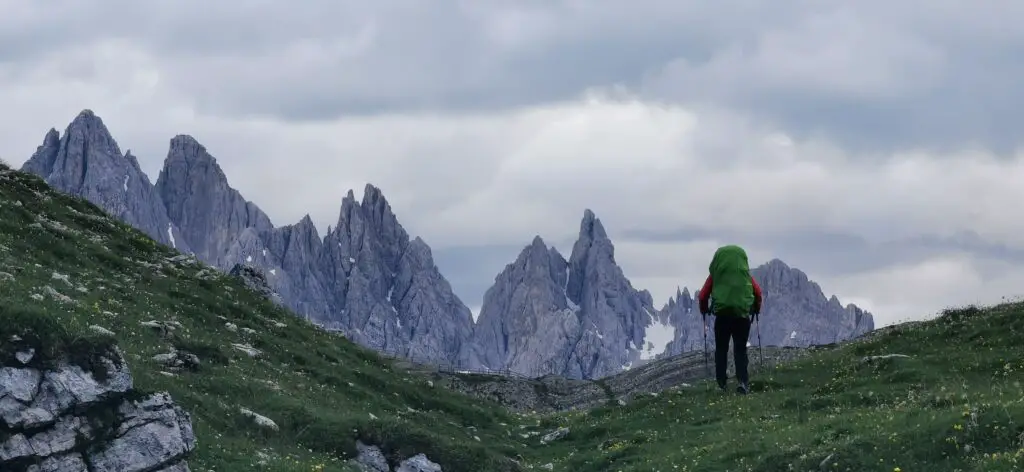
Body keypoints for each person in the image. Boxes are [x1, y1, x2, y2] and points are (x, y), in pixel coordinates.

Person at [697, 244, 762, 394]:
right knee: (740, 350)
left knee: (721, 349)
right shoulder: (745, 276)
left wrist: (704, 310)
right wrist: (756, 309)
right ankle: (743, 383)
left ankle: (722, 384)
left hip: (723, 317)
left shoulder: (716, 276)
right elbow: (758, 293)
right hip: (742, 316)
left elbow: (702, 296)